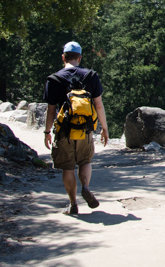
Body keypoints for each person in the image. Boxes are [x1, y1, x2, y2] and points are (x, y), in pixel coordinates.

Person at [43, 41, 109, 215]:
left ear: (63, 57)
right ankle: (85, 186)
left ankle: (72, 203)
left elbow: (51, 111)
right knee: (85, 161)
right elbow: (99, 105)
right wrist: (104, 128)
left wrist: (47, 132)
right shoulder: (91, 76)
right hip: (85, 130)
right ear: (80, 58)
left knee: (68, 167)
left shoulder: (54, 79)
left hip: (64, 131)